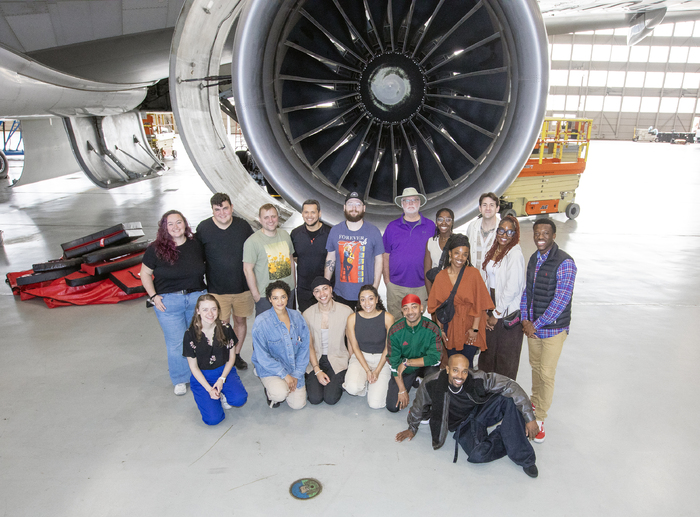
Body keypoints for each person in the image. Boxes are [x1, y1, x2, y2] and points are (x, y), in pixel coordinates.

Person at [395, 355, 539, 478]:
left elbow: (510, 385)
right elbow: (418, 406)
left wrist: (530, 418)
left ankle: (525, 458)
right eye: (455, 370)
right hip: (462, 425)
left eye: (464, 371)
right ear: (447, 369)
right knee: (478, 455)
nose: (460, 376)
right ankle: (510, 433)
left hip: (481, 411)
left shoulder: (477, 378)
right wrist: (412, 428)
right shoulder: (432, 383)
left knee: (509, 400)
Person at [521, 218, 576, 443]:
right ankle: (534, 401)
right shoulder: (534, 258)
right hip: (533, 328)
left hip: (553, 329)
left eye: (545, 233)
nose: (540, 237)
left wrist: (536, 324)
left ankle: (540, 417)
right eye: (537, 233)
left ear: (554, 236)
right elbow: (528, 292)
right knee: (535, 367)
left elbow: (560, 301)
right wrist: (525, 319)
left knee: (546, 373)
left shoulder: (565, 263)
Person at [141, 210, 207, 396]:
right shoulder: (155, 249)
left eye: (179, 222)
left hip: (196, 299)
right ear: (164, 228)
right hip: (169, 302)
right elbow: (145, 274)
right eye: (170, 224)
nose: (175, 227)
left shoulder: (195, 245)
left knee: (198, 338)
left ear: (185, 224)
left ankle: (200, 373)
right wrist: (153, 296)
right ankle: (180, 378)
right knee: (176, 342)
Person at [196, 192, 254, 370]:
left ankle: (235, 354)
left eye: (225, 208)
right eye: (217, 210)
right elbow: (196, 257)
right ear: (212, 210)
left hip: (242, 288)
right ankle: (223, 356)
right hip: (217, 289)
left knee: (240, 322)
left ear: (232, 208)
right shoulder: (203, 228)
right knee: (220, 326)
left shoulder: (243, 226)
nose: (222, 213)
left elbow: (254, 251)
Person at [427, 234, 494, 368]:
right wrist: (441, 330)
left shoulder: (473, 274)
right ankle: (455, 389)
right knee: (453, 363)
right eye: (457, 253)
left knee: (466, 364)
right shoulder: (441, 277)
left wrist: (474, 330)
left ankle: (467, 389)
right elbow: (438, 307)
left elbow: (480, 304)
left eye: (465, 254)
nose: (460, 258)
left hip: (471, 323)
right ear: (450, 253)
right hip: (450, 325)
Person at [182, 294, 248, 425]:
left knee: (239, 399)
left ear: (218, 310)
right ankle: (213, 397)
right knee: (213, 420)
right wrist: (209, 389)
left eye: (213, 309)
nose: (210, 313)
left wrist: (222, 379)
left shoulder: (226, 328)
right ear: (198, 311)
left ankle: (222, 392)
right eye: (205, 309)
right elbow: (193, 367)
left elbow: (231, 358)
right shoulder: (190, 335)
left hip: (224, 371)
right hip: (203, 376)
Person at [480, 215, 526, 380]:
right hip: (491, 306)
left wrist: (496, 314)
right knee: (488, 354)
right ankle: (486, 395)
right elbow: (487, 281)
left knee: (505, 359)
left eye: (509, 232)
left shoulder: (514, 254)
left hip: (506, 313)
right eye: (501, 230)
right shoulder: (494, 249)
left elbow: (512, 288)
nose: (504, 235)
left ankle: (504, 397)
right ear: (497, 230)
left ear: (515, 234)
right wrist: (486, 310)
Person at [251, 280, 309, 409]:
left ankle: (284, 386)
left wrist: (296, 374)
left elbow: (304, 348)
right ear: (270, 299)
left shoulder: (297, 317)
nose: (280, 301)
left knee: (298, 405)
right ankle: (271, 389)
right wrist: (285, 376)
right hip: (271, 369)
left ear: (288, 297)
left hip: (293, 367)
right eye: (275, 298)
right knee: (280, 394)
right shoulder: (261, 323)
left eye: (283, 297)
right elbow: (262, 356)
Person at [382, 187, 436, 321]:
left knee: (417, 323)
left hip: (421, 286)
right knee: (396, 324)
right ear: (402, 204)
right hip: (396, 287)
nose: (410, 203)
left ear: (419, 203)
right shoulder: (392, 227)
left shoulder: (431, 227)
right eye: (407, 201)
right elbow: (385, 255)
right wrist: (387, 281)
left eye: (414, 200)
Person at [324, 191, 384, 310]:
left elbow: (379, 260)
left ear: (364, 208)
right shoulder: (335, 230)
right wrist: (326, 286)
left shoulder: (374, 231)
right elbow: (330, 258)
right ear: (344, 207)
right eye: (350, 204)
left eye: (358, 204)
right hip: (341, 294)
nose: (354, 208)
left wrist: (375, 287)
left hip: (365, 295)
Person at [386, 294, 442, 413]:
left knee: (434, 373)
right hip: (404, 370)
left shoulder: (432, 328)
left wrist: (407, 363)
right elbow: (393, 363)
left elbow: (435, 359)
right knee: (393, 406)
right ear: (402, 311)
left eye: (414, 307)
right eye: (405, 308)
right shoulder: (395, 331)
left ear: (421, 308)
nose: (410, 312)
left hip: (424, 366)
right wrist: (401, 389)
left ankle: (424, 385)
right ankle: (413, 380)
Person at [343, 285, 395, 409]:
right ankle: (365, 382)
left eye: (370, 298)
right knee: (352, 388)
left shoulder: (388, 318)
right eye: (363, 299)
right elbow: (354, 346)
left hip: (382, 359)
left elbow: (388, 348)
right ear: (359, 301)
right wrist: (367, 370)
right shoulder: (352, 318)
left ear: (377, 299)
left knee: (375, 404)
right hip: (361, 357)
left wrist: (376, 371)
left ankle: (379, 382)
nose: (367, 303)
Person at [302, 277, 352, 405]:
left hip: (337, 358)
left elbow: (351, 341)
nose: (322, 294)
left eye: (325, 289)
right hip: (316, 358)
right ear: (314, 294)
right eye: (317, 291)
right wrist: (317, 370)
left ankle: (338, 380)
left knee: (330, 399)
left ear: (331, 289)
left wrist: (352, 364)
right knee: (315, 399)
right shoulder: (307, 314)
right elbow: (309, 346)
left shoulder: (346, 311)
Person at [243, 204, 296, 316]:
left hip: (287, 292)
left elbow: (290, 259)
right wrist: (256, 295)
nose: (270, 220)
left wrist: (293, 283)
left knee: (289, 326)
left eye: (273, 216)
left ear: (278, 217)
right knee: (267, 330)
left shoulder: (285, 235)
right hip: (265, 296)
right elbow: (248, 270)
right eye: (266, 217)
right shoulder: (252, 242)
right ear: (260, 220)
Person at [291, 199, 332, 313]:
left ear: (319, 213)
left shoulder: (330, 233)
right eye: (306, 212)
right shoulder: (295, 234)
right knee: (307, 323)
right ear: (302, 214)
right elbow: (294, 257)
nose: (309, 216)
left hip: (324, 289)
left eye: (313, 212)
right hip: (304, 290)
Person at [466, 192, 501, 283]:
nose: (488, 208)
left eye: (492, 205)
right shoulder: (472, 227)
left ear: (497, 208)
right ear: (480, 208)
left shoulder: (502, 230)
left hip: (493, 283)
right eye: (484, 205)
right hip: (473, 281)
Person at [424, 207, 454, 295]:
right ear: (436, 222)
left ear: (452, 222)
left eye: (448, 219)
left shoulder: (458, 241)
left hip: (455, 292)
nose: (444, 223)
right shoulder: (431, 242)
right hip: (436, 291)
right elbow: (427, 271)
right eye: (440, 219)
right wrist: (430, 296)